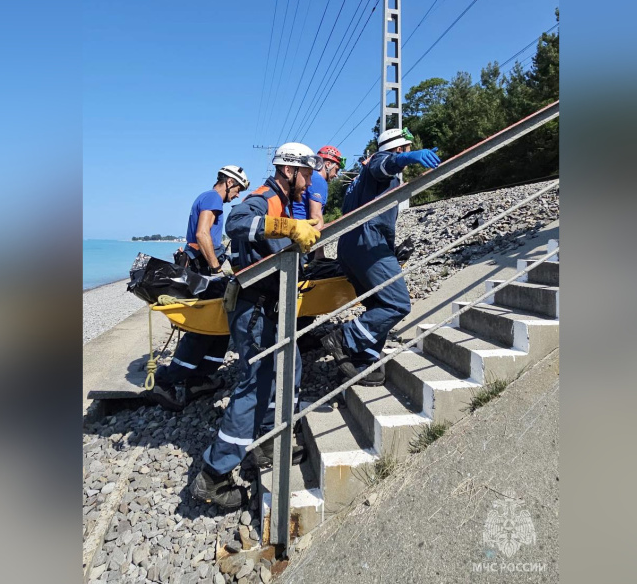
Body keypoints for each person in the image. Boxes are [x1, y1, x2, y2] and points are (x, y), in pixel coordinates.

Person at [191, 142, 323, 509]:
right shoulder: (265, 198)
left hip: (270, 305)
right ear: (288, 171)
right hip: (253, 307)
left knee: (291, 365)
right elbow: (235, 223)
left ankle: (267, 440)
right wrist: (289, 226)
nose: (310, 181)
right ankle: (213, 475)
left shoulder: (287, 202)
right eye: (306, 173)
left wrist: (302, 229)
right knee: (259, 378)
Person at [320, 128, 440, 387]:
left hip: (352, 247)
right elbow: (383, 164)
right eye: (407, 150)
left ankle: (364, 360)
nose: (409, 155)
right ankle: (344, 339)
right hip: (368, 245)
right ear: (399, 150)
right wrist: (408, 158)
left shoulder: (358, 182)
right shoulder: (378, 164)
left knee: (378, 306)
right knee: (397, 304)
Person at [148, 165, 251, 412]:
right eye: (237, 189)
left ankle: (199, 379)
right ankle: (166, 381)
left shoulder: (208, 198)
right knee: (203, 328)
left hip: (199, 265)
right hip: (202, 267)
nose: (236, 195)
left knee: (218, 325)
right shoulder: (213, 197)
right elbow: (203, 233)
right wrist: (216, 268)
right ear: (228, 181)